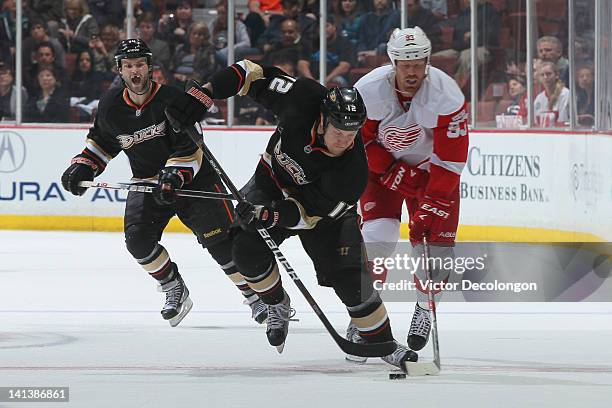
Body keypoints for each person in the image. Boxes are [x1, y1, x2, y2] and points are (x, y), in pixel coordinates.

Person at [165, 59, 419, 368]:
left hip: (323, 216)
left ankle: (383, 342)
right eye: (339, 131)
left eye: (352, 134)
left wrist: (271, 216)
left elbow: (308, 216)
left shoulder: (352, 173)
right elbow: (250, 73)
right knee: (244, 250)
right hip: (270, 183)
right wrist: (205, 93)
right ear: (323, 120)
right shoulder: (303, 98)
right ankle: (276, 303)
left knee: (350, 280)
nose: (345, 141)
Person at [60, 39, 268, 327]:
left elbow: (192, 148)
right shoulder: (110, 105)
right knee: (138, 241)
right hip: (148, 181)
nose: (135, 71)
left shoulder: (173, 99)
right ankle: (173, 287)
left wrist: (173, 176)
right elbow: (102, 141)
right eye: (129, 66)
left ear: (149, 67)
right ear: (119, 70)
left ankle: (255, 297)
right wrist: (84, 165)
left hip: (195, 180)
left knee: (222, 244)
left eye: (140, 64)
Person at [354, 27, 469, 352]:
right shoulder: (368, 90)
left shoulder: (447, 94)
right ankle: (365, 317)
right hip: (381, 172)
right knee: (378, 240)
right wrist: (389, 169)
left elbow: (452, 158)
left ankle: (424, 307)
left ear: (427, 61)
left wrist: (432, 203)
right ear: (393, 62)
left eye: (418, 63)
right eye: (405, 64)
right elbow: (357, 141)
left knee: (433, 254)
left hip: (431, 176)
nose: (412, 71)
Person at [533, 61, 569, 127]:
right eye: (542, 75)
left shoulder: (565, 94)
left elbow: (563, 123)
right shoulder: (539, 98)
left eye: (548, 74)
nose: (545, 77)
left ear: (557, 75)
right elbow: (535, 123)